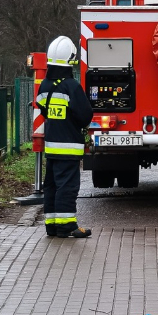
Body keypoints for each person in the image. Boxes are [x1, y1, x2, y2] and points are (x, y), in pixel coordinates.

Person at [38, 35, 94, 238]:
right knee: (67, 187)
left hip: (51, 148)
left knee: (52, 186)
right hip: (68, 147)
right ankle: (67, 225)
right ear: (71, 60)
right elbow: (85, 115)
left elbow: (42, 109)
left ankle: (52, 225)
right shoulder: (71, 86)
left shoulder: (44, 85)